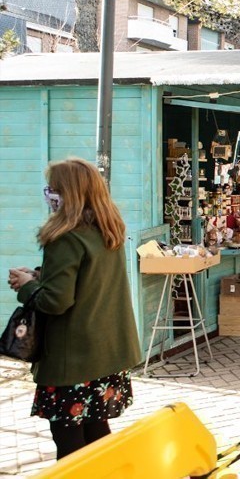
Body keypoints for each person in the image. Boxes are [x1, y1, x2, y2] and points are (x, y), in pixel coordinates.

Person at [6, 158, 141, 460]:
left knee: (69, 446)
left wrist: (28, 285)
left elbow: (55, 302)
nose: (48, 194)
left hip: (73, 359)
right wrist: (42, 276)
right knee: (96, 433)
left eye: (53, 188)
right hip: (107, 353)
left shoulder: (65, 236)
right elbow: (90, 283)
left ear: (68, 193)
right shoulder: (109, 229)